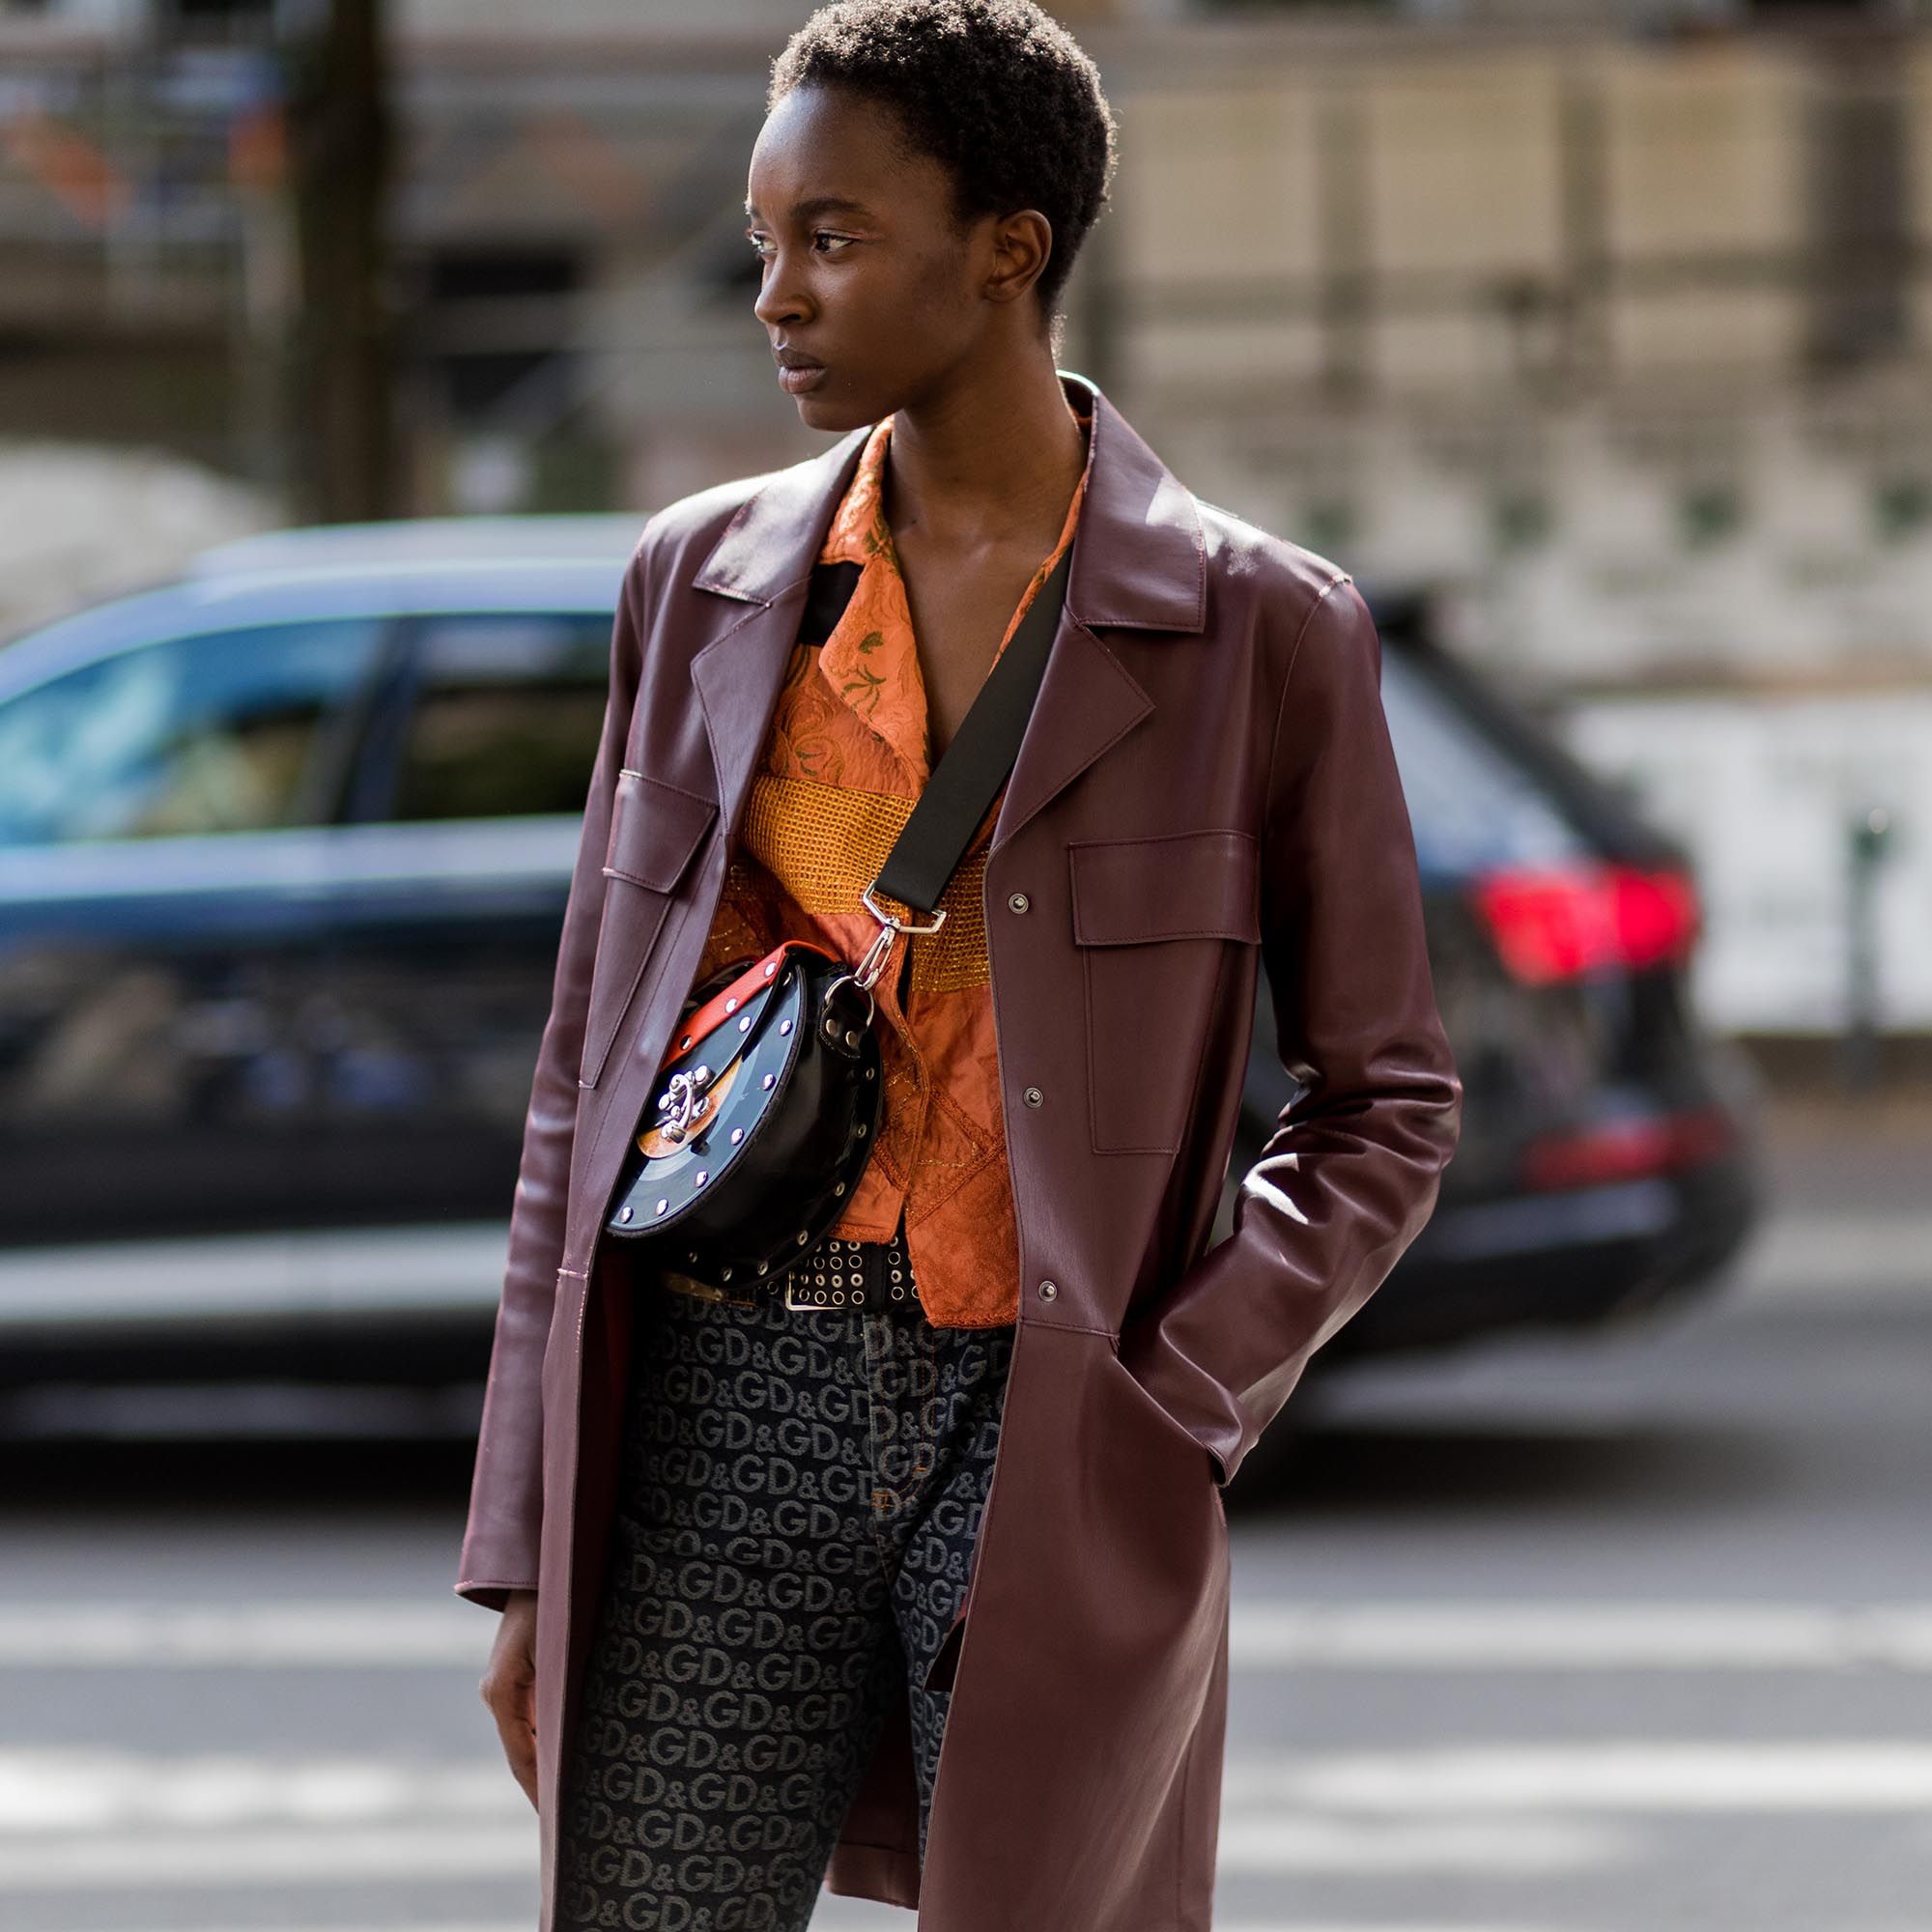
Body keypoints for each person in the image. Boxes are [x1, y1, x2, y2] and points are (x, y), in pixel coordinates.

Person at [464, 4, 1463, 1930]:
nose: (777, 295)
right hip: (710, 1392)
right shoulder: (700, 584)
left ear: (1007, 247)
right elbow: (587, 1081)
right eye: (763, 240)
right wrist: (522, 1538)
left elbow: (1383, 1101)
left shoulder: (1258, 627)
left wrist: (1178, 1388)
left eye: (830, 237)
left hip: (1048, 1421)